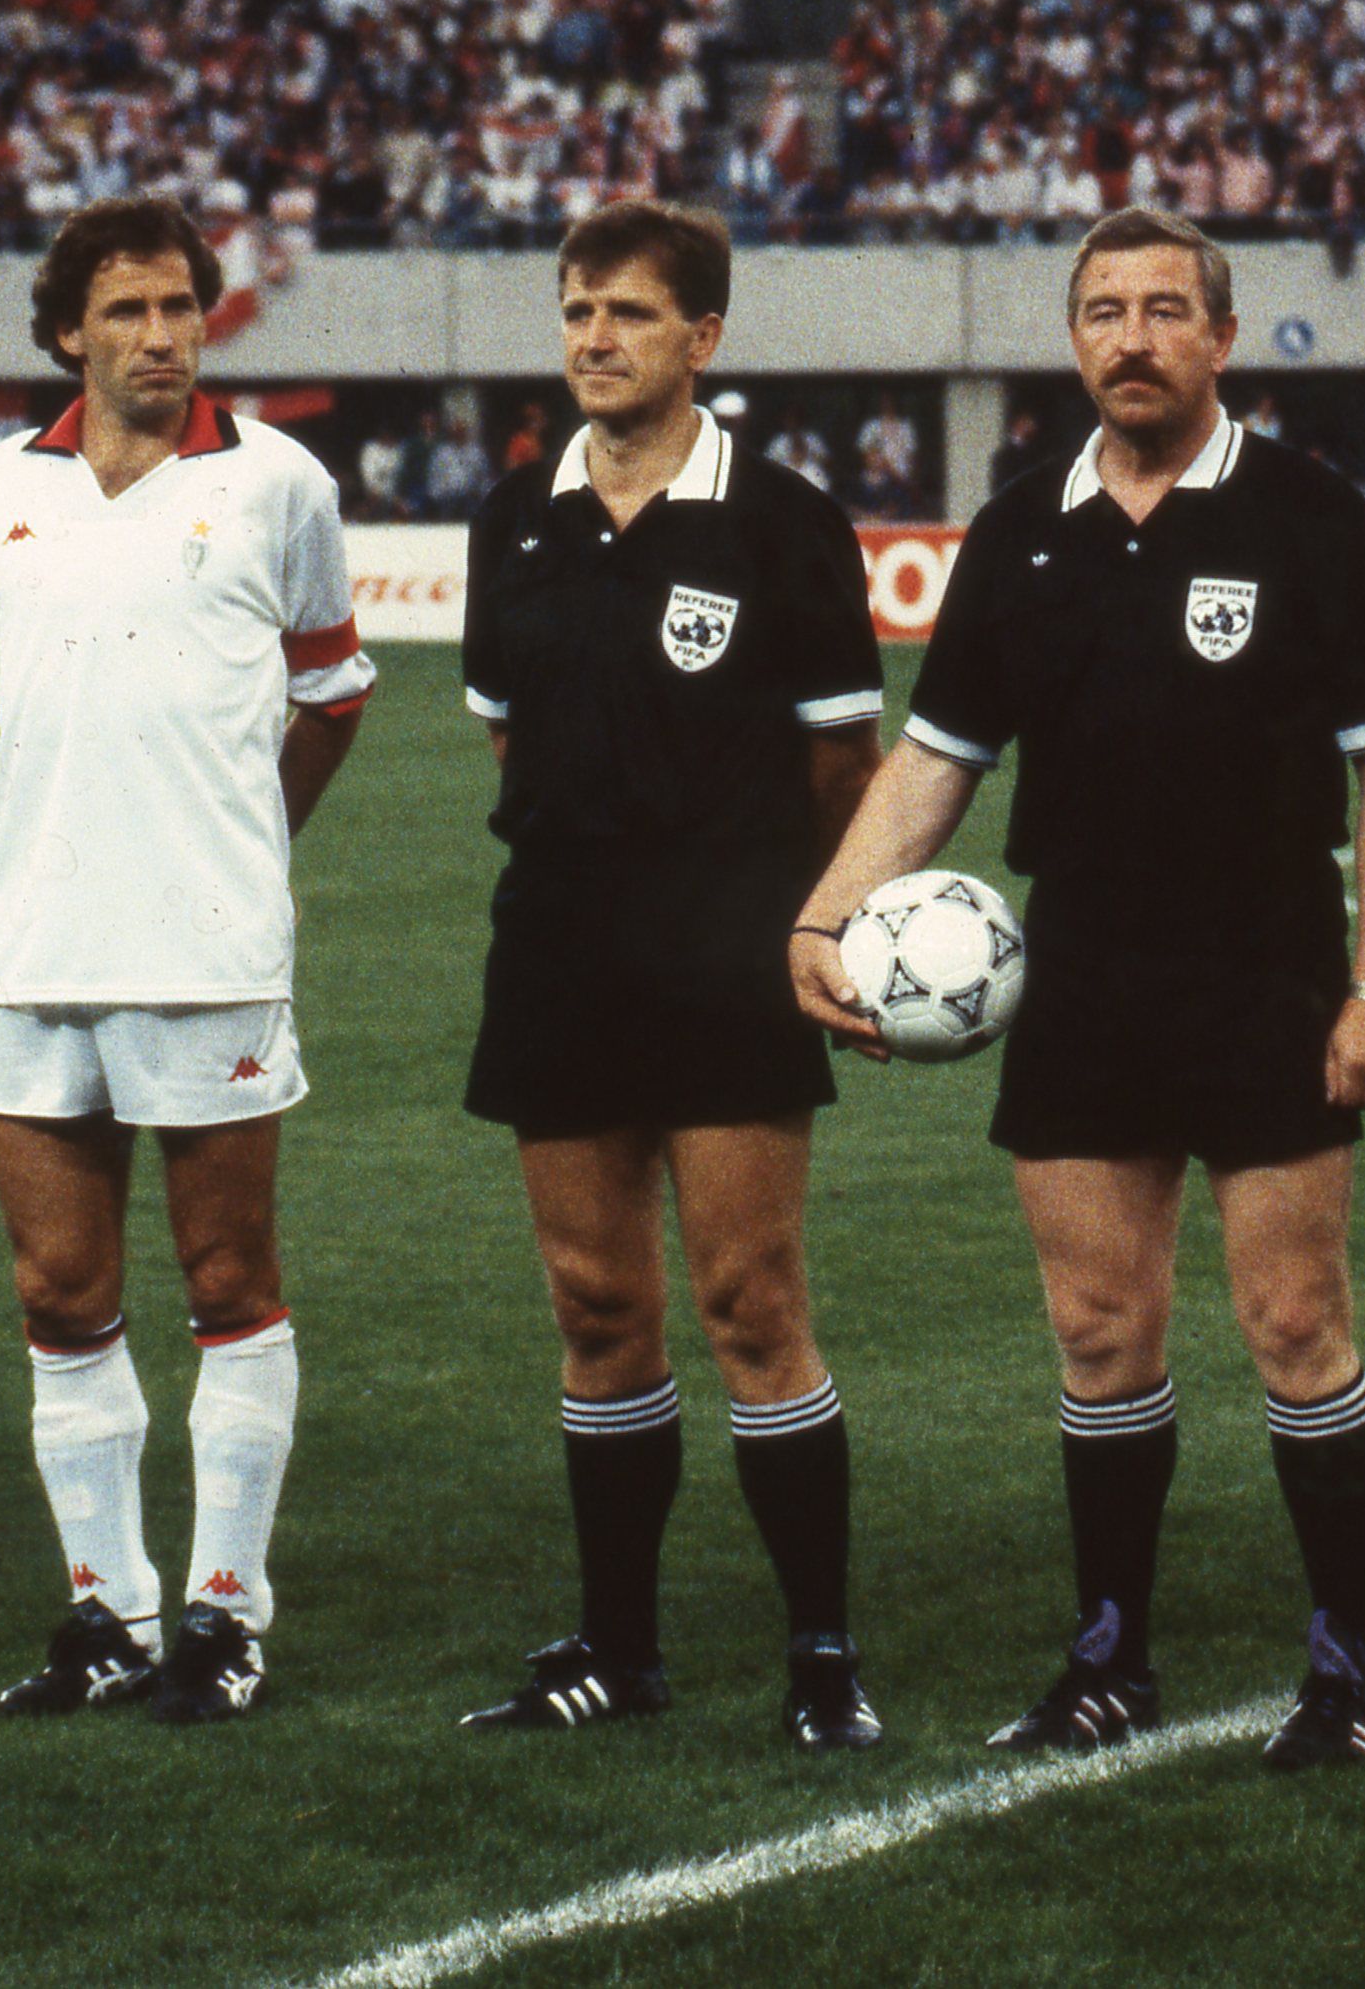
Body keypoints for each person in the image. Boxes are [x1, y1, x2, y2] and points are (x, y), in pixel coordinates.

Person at [793, 205, 1365, 1771]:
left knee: (1292, 1317)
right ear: (1071, 338)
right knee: (1097, 1329)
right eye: (1101, 311)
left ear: (1221, 337)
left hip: (1269, 966)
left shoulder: (1307, 514)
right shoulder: (1020, 530)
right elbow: (937, 758)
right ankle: (1107, 1662)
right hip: (1077, 971)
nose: (1130, 337)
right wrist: (823, 918)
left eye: (1162, 309)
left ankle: (1345, 1669)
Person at [455, 200, 892, 1747]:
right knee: (593, 1303)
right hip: (561, 942)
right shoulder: (514, 515)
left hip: (727, 949)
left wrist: (839, 928)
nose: (593, 338)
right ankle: (618, 1652)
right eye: (577, 310)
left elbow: (851, 764)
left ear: (701, 338)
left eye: (628, 314)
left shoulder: (782, 521)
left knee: (748, 1299)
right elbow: (509, 730)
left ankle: (823, 1657)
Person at [0, 197, 375, 1726]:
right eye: (126, 311)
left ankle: (223, 1612)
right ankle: (106, 1612)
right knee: (59, 1288)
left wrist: (245, 844)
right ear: (69, 329)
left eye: (180, 308)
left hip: (209, 948)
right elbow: (4, 703)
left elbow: (332, 692)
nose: (159, 335)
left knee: (225, 1281)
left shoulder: (280, 483)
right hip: (36, 946)